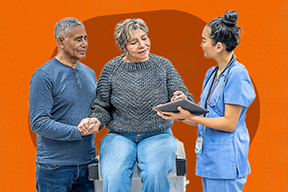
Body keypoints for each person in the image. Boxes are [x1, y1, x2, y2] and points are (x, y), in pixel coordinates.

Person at [78, 18, 193, 192]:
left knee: (156, 176)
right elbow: (102, 107)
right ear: (123, 47)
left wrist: (181, 97)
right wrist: (95, 120)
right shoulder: (111, 69)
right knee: (114, 176)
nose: (142, 45)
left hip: (158, 134)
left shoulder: (163, 65)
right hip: (120, 136)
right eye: (134, 42)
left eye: (145, 38)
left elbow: (185, 97)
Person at [157, 10, 256, 192]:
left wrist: (192, 117)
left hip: (226, 162)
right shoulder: (211, 74)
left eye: (204, 40)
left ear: (218, 46)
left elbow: (229, 123)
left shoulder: (237, 75)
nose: (201, 45)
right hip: (209, 160)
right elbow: (204, 117)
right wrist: (177, 114)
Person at [29, 17, 100, 192]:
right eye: (78, 39)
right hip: (55, 167)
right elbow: (38, 122)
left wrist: (98, 122)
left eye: (85, 38)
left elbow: (98, 110)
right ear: (60, 41)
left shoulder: (90, 73)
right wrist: (77, 132)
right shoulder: (43, 75)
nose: (84, 43)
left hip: (87, 164)